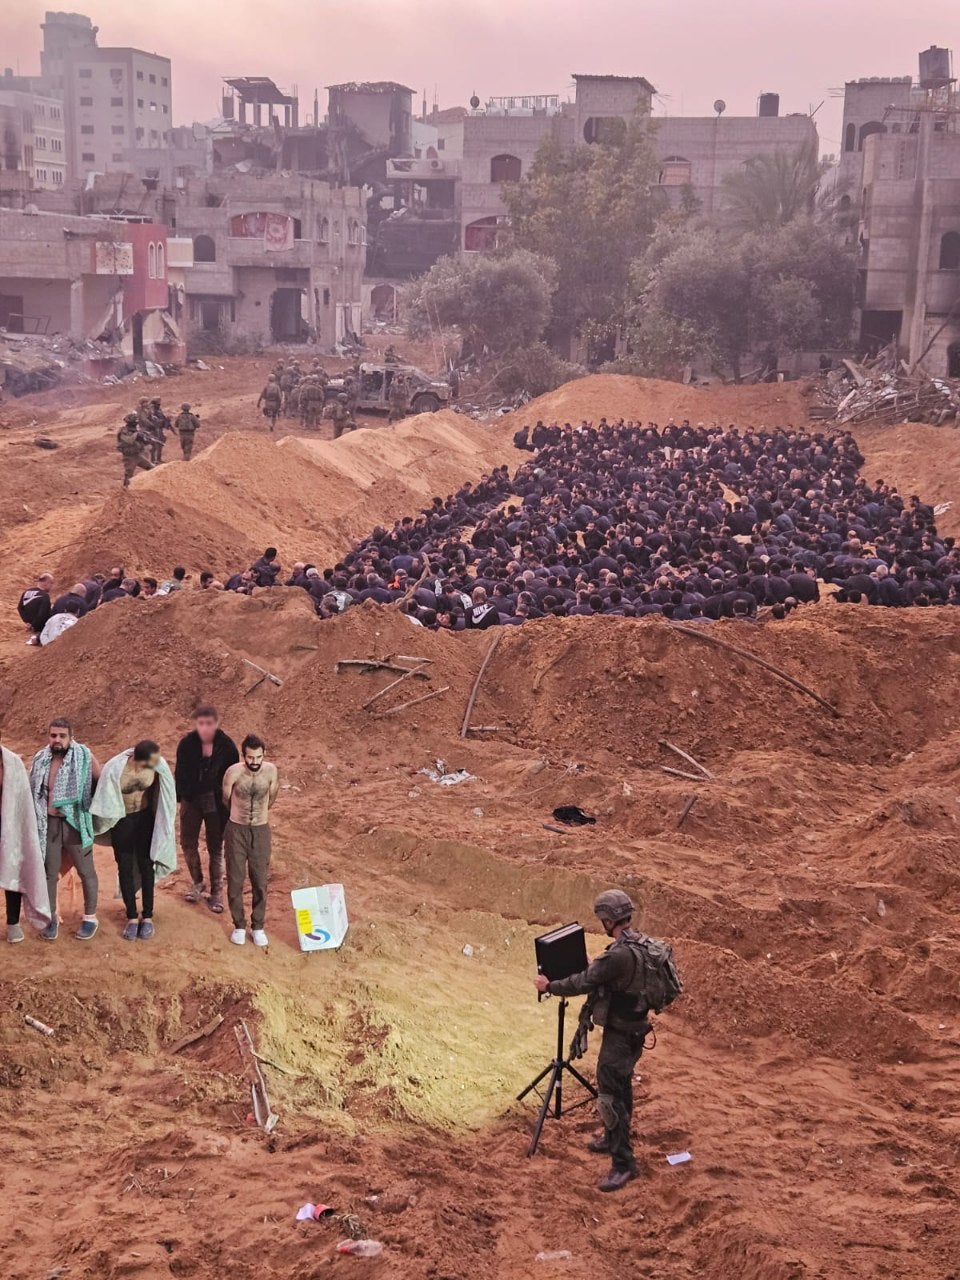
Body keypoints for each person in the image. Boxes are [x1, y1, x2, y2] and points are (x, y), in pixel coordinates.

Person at [534, 890, 653, 1193]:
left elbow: (582, 983)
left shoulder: (618, 955)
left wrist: (551, 986)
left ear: (609, 919)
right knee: (621, 1087)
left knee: (610, 1097)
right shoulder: (635, 944)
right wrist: (596, 965)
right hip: (634, 1031)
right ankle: (614, 1139)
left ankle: (623, 1165)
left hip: (621, 1036)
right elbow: (610, 973)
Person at [91, 740, 176, 940]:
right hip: (123, 821)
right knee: (125, 866)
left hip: (145, 818)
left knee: (147, 865)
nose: (158, 763)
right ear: (139, 759)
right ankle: (131, 916)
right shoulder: (116, 770)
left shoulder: (156, 766)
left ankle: (147, 916)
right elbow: (103, 794)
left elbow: (165, 790)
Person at [29, 718, 101, 941]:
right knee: (49, 874)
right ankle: (51, 918)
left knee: (85, 870)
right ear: (48, 736)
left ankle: (90, 917)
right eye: (53, 736)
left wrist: (90, 815)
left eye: (62, 736)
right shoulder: (41, 759)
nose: (57, 740)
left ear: (71, 737)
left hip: (76, 824)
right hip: (48, 824)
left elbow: (101, 783)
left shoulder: (84, 757)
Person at [174, 705, 239, 914]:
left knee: (215, 846)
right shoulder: (186, 744)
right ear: (196, 724)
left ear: (216, 723)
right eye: (201, 723)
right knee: (187, 842)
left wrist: (228, 805)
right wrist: (182, 797)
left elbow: (232, 778)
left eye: (209, 723)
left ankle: (217, 891)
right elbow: (180, 773)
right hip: (191, 799)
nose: (204, 728)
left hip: (216, 800)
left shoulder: (227, 747)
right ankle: (197, 882)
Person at [223, 735, 279, 947]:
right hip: (236, 829)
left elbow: (272, 798)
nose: (254, 762)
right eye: (250, 757)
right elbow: (225, 799)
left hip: (261, 829)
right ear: (243, 755)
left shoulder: (271, 771)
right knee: (235, 879)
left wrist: (259, 817)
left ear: (264, 755)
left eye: (258, 757)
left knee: (260, 879)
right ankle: (238, 924)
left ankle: (258, 926)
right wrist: (240, 817)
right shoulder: (233, 772)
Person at [1, 733, 51, 944]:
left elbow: (21, 800)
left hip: (10, 825)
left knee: (14, 871)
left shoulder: (12, 763)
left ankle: (13, 923)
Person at [18, 572, 54, 646]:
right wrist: (33, 625)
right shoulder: (45, 596)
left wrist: (27, 622)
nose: (51, 586)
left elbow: (20, 608)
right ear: (46, 583)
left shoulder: (26, 592)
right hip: (40, 628)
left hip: (30, 625)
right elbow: (42, 615)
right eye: (51, 583)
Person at [117, 413, 153, 487]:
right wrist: (137, 434)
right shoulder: (123, 431)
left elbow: (143, 442)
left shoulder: (136, 430)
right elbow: (129, 440)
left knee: (152, 469)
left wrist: (146, 439)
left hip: (138, 455)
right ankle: (125, 491)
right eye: (135, 421)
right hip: (129, 457)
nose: (136, 423)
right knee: (129, 474)